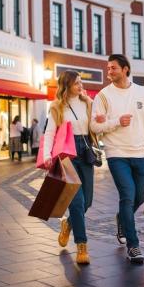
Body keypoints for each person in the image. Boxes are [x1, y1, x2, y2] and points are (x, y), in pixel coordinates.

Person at [91, 54, 144, 264]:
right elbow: (94, 127)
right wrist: (116, 121)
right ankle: (133, 245)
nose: (109, 72)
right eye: (108, 69)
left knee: (139, 198)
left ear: (125, 69)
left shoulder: (143, 93)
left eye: (113, 68)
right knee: (127, 195)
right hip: (116, 154)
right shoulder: (103, 96)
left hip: (138, 153)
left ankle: (122, 219)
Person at [43, 70, 96, 265]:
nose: (80, 86)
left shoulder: (88, 103)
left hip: (86, 152)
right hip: (67, 154)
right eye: (76, 83)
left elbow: (96, 127)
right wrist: (48, 155)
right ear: (67, 86)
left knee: (87, 201)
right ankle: (81, 246)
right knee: (76, 202)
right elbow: (49, 133)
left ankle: (68, 224)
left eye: (81, 82)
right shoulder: (57, 107)